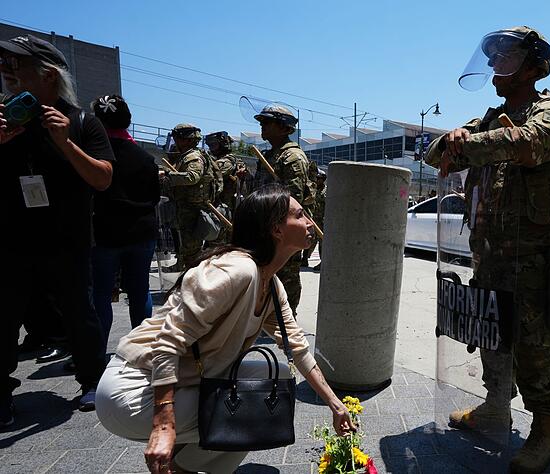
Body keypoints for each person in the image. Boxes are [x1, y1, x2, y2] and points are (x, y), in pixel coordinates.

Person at [96, 185, 357, 473]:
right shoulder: (237, 270)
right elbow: (168, 341)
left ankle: (185, 466)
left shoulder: (271, 284)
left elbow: (297, 348)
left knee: (276, 379)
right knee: (249, 409)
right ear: (276, 230)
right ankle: (182, 463)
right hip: (132, 388)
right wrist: (164, 425)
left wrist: (335, 405)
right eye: (299, 215)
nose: (309, 222)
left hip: (183, 380)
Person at [425, 26, 550, 473]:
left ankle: (544, 433)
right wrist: (455, 137)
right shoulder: (488, 119)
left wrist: (469, 145)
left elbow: (528, 143)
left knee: (535, 345)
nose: (495, 65)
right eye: (492, 58)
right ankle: (495, 405)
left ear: (533, 66)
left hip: (534, 257)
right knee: (491, 334)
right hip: (490, 253)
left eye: (506, 57)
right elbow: (438, 155)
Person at [1, 35, 114, 423]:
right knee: (4, 315)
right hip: (13, 240)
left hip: (68, 239)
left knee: (79, 312)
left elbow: (102, 178)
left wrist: (67, 144)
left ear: (48, 74)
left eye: (17, 66)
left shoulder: (82, 121)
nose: (7, 72)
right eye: (5, 65)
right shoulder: (4, 119)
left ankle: (92, 380)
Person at [89, 95, 161, 342]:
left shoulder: (91, 157)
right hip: (141, 231)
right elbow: (154, 197)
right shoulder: (146, 158)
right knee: (140, 291)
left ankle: (96, 352)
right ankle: (141, 347)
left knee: (100, 292)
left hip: (105, 233)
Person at [253, 105, 315, 316]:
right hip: (266, 222)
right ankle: (267, 314)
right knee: (266, 270)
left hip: (284, 226)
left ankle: (286, 318)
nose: (262, 126)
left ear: (283, 127)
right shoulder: (271, 154)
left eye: (267, 122)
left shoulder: (292, 157)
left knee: (286, 273)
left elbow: (293, 198)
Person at [160, 123, 218, 272]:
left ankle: (195, 282)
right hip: (185, 209)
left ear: (187, 140)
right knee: (187, 249)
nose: (175, 141)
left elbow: (193, 177)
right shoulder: (185, 156)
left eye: (177, 138)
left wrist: (168, 175)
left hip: (191, 210)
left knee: (192, 252)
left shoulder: (193, 157)